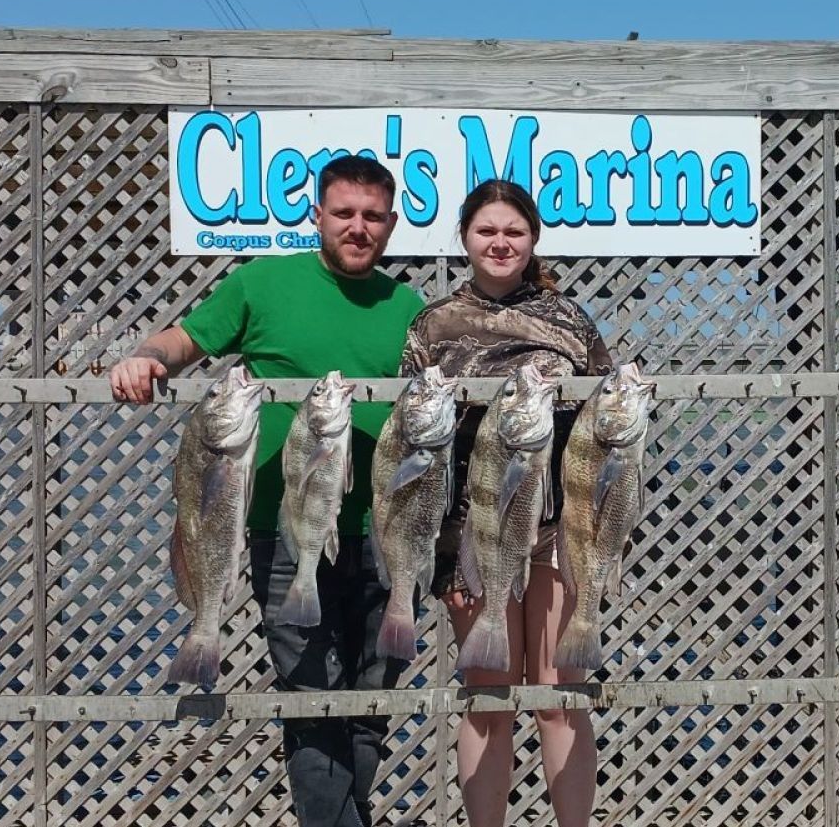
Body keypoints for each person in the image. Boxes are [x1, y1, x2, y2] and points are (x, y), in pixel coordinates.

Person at [108, 154, 425, 827]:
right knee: (311, 699)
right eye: (344, 213)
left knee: (371, 704)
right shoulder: (261, 282)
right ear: (317, 214)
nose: (358, 227)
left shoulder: (408, 308)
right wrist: (146, 357)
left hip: (388, 535)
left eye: (373, 216)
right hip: (283, 533)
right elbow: (184, 339)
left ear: (393, 223)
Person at [400, 178, 613, 827]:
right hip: (473, 533)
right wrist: (438, 554)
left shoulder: (570, 320)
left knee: (558, 693)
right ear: (465, 237)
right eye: (487, 230)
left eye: (513, 230)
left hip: (557, 529)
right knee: (488, 696)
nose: (500, 241)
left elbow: (605, 430)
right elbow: (415, 449)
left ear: (532, 239)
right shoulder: (433, 325)